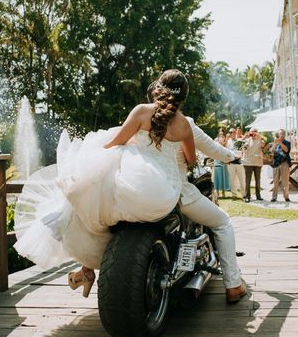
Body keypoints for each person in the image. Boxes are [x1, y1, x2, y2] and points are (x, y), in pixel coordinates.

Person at [13, 70, 197, 298]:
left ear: (159, 89)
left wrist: (96, 161)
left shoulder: (142, 111)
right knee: (104, 202)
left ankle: (86, 269)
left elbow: (115, 142)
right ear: (183, 97)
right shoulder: (185, 126)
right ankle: (89, 271)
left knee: (93, 202)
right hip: (162, 193)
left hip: (134, 183)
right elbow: (191, 160)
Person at [180, 119, 247, 303]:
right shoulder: (183, 122)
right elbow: (211, 148)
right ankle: (233, 285)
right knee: (223, 223)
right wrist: (233, 156)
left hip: (141, 190)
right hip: (175, 191)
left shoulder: (141, 116)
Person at [242, 129, 265, 202]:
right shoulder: (247, 140)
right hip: (248, 162)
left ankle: (258, 195)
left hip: (258, 162)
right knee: (248, 180)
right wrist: (245, 138)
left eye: (255, 131)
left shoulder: (260, 140)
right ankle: (247, 196)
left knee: (257, 180)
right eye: (252, 131)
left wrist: (259, 137)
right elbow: (243, 148)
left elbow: (263, 145)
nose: (253, 133)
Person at [270, 129, 291, 202]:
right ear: (278, 135)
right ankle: (274, 197)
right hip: (276, 163)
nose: (281, 135)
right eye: (280, 134)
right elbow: (271, 151)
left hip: (284, 163)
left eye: (283, 134)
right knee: (275, 181)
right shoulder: (276, 143)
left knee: (285, 181)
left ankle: (286, 197)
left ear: (284, 135)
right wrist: (274, 144)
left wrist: (280, 143)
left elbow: (286, 150)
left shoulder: (287, 142)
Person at [226, 128, 246, 199]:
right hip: (231, 163)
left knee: (242, 179)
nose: (233, 133)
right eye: (232, 132)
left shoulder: (240, 141)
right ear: (230, 134)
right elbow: (226, 152)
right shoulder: (228, 142)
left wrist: (243, 159)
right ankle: (234, 194)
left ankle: (244, 194)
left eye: (234, 132)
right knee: (232, 179)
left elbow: (244, 150)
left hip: (239, 163)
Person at [213, 129, 231, 198]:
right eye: (220, 133)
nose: (221, 134)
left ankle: (223, 192)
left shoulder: (225, 140)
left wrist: (225, 141)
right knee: (217, 176)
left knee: (223, 175)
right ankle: (217, 192)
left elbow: (226, 148)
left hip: (223, 159)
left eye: (222, 133)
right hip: (217, 160)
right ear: (218, 133)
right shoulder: (215, 140)